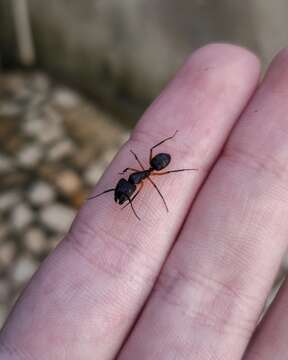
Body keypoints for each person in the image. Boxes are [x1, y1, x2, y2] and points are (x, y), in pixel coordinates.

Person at [0, 43, 287, 359]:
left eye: (124, 190)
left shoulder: (145, 174)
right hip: (149, 168)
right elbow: (127, 185)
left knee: (156, 182)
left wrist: (153, 175)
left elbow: (133, 184)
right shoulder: (136, 176)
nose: (125, 189)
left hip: (156, 166)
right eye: (125, 190)